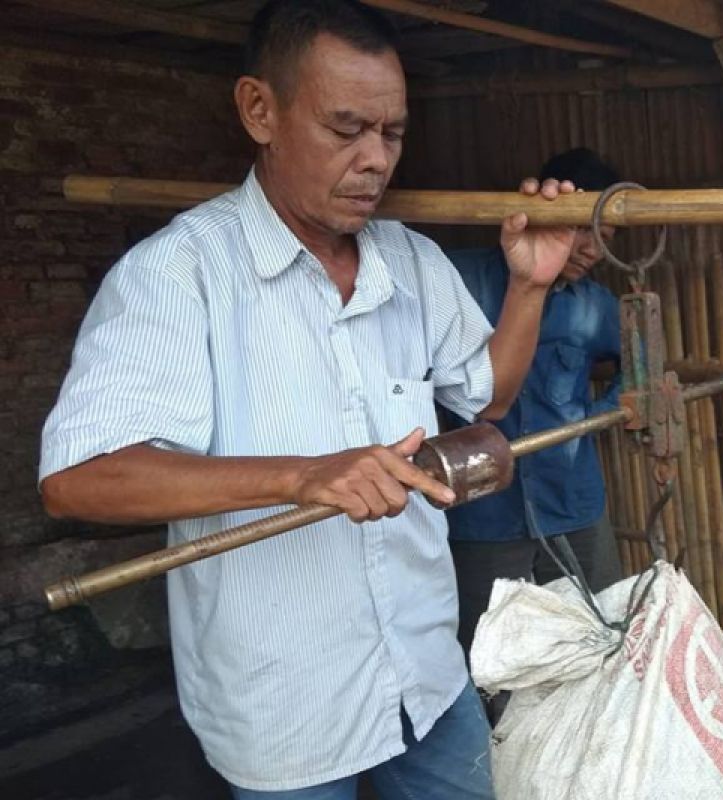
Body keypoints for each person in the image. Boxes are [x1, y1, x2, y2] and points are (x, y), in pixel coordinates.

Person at [36, 1, 578, 798]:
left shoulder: (413, 262)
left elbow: (487, 396)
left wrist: (530, 286)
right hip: (284, 709)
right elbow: (79, 478)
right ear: (260, 110)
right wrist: (301, 475)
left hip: (425, 680)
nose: (375, 161)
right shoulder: (178, 274)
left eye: (391, 133)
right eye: (345, 129)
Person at [444, 148, 624, 663]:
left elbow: (641, 362)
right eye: (582, 229)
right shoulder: (459, 281)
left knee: (601, 639)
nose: (590, 250)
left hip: (574, 502)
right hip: (482, 511)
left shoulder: (597, 307)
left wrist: (605, 413)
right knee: (491, 658)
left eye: (605, 239)